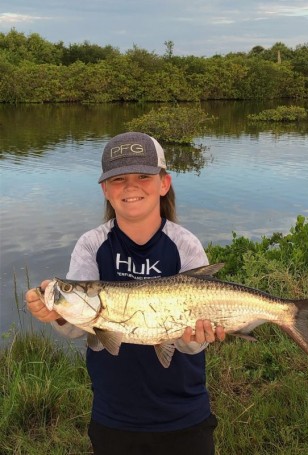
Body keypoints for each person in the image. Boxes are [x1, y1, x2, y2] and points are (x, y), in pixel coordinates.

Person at [26, 132, 225, 455]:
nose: (131, 187)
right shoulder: (91, 245)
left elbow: (193, 345)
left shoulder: (185, 244)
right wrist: (56, 314)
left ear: (163, 183)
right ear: (106, 190)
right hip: (114, 415)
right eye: (118, 179)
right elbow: (80, 327)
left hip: (185, 413)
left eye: (143, 177)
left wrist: (195, 337)